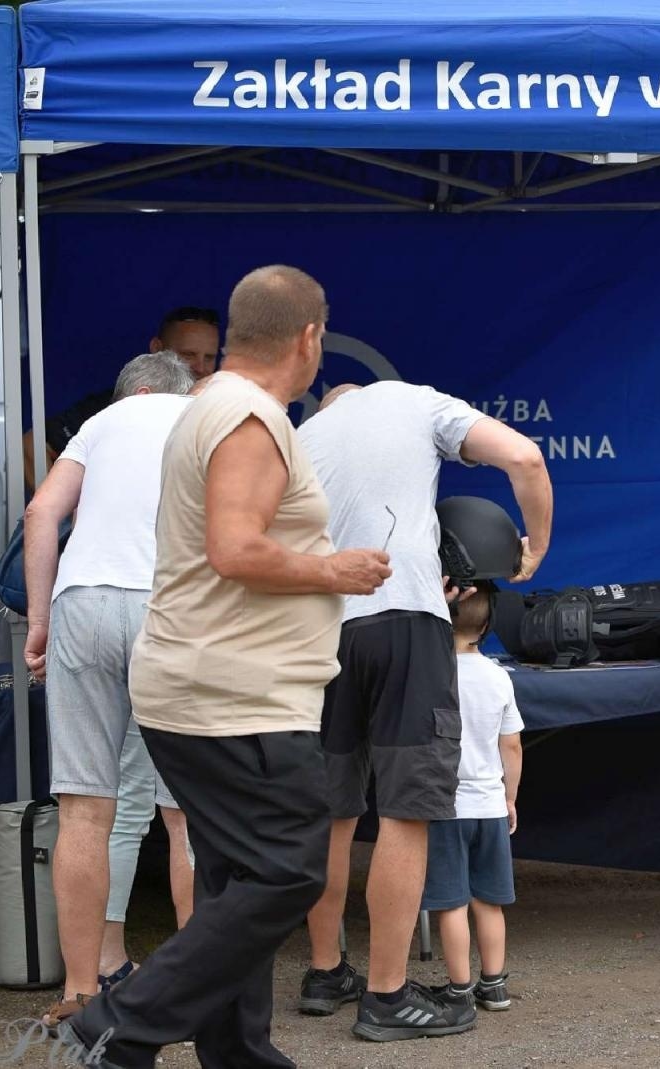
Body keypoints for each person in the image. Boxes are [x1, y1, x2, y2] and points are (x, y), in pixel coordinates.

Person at [58, 266, 391, 1069]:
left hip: (204, 681)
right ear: (310, 337)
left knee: (234, 876)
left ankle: (238, 1053)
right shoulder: (249, 417)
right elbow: (235, 548)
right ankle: (119, 1024)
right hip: (237, 694)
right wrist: (335, 571)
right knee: (287, 873)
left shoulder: (210, 405)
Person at [295, 379, 551, 1042]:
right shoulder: (414, 401)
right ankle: (386, 995)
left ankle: (325, 971)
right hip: (406, 619)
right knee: (407, 812)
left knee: (333, 814)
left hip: (323, 631)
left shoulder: (300, 437)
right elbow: (524, 458)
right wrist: (536, 548)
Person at [22, 351, 198, 1032]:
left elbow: (42, 513)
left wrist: (40, 622)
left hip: (84, 599)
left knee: (84, 811)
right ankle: (195, 987)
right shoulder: (201, 418)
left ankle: (79, 990)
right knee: (188, 811)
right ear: (168, 391)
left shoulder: (97, 425)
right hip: (171, 605)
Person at [422, 583, 523, 1015]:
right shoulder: (499, 677)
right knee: (489, 901)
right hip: (490, 807)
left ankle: (459, 986)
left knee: (452, 902)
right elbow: (512, 746)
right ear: (486, 626)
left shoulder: (431, 676)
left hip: (446, 807)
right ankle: (494, 985)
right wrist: (509, 799)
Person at [26, 306, 222, 489]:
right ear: (156, 349)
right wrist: (66, 510)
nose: (200, 368)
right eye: (188, 355)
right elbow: (30, 446)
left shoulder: (225, 412)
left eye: (209, 358)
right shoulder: (118, 405)